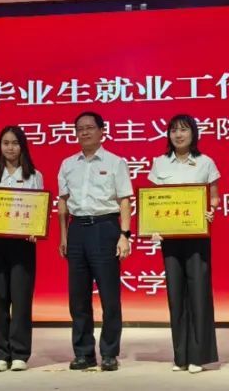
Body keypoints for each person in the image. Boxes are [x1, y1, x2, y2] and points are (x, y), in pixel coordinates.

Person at [57, 111, 133, 372]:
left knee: (109, 297)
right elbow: (63, 202)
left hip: (105, 227)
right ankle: (83, 353)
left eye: (90, 127)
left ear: (102, 131)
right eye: (80, 128)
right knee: (78, 298)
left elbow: (124, 200)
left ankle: (109, 352)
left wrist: (124, 235)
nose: (85, 132)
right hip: (77, 229)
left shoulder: (115, 162)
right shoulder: (68, 164)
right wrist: (64, 236)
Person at [147, 114, 219, 374]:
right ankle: (180, 356)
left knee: (198, 294)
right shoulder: (159, 163)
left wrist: (210, 211)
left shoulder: (205, 162)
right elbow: (153, 200)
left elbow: (214, 197)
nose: (178, 135)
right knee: (175, 296)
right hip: (170, 238)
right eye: (174, 130)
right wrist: (153, 225)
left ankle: (198, 356)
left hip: (197, 236)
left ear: (193, 133)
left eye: (184, 130)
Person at [0, 126, 44, 372]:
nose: (10, 148)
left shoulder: (34, 175)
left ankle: (20, 353)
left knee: (21, 299)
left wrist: (36, 228)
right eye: (5, 143)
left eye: (15, 143)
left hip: (23, 243)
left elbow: (39, 208)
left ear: (22, 146)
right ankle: (1, 353)